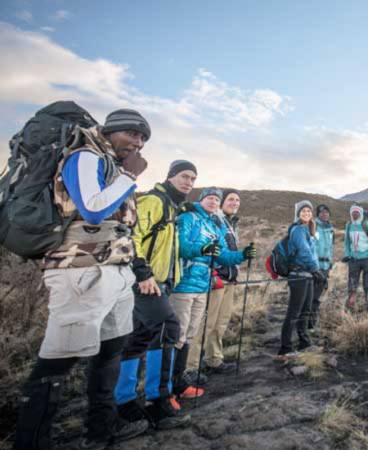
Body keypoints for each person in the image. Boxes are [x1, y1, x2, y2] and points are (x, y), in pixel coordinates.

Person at [15, 109, 151, 449]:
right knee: (58, 362)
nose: (138, 143)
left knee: (111, 352)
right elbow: (91, 208)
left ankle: (100, 431)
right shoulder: (85, 155)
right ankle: (30, 442)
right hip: (82, 272)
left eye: (143, 139)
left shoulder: (110, 162)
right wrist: (128, 177)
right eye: (133, 134)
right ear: (111, 129)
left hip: (116, 271)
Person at [114, 160, 198, 431]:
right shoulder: (154, 200)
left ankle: (124, 403)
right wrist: (142, 272)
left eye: (193, 179)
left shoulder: (171, 207)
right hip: (145, 282)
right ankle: (158, 401)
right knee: (168, 327)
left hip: (156, 283)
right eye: (184, 176)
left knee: (139, 338)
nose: (189, 182)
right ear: (171, 176)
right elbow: (132, 235)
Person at [169, 188, 255, 394]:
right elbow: (180, 245)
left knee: (194, 329)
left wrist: (242, 255)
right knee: (183, 332)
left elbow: (224, 254)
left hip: (203, 282)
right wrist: (203, 251)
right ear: (202, 199)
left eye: (216, 199)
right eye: (211, 198)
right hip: (186, 282)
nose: (214, 201)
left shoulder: (214, 225)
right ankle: (178, 375)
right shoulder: (188, 217)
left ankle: (185, 376)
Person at [275, 200, 325, 361]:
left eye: (309, 211)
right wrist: (315, 269)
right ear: (298, 213)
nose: (306, 213)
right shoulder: (297, 230)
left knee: (305, 310)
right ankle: (285, 349)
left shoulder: (308, 230)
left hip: (308, 275)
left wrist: (315, 271)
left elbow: (312, 254)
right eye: (303, 211)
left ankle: (305, 343)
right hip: (298, 276)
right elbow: (304, 252)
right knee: (294, 312)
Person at [343, 204, 368, 311]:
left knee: (367, 284)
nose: (355, 214)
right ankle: (351, 306)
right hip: (353, 260)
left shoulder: (367, 225)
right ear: (351, 213)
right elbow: (347, 242)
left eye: (357, 212)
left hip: (367, 259)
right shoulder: (349, 225)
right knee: (352, 283)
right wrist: (347, 254)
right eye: (353, 212)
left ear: (360, 213)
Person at [309, 204, 334, 330]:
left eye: (326, 212)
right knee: (312, 295)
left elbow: (330, 247)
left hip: (325, 266)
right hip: (315, 266)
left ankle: (311, 322)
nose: (325, 214)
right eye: (322, 212)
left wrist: (330, 264)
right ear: (318, 214)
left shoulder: (330, 228)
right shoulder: (314, 226)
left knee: (318, 294)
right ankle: (309, 323)